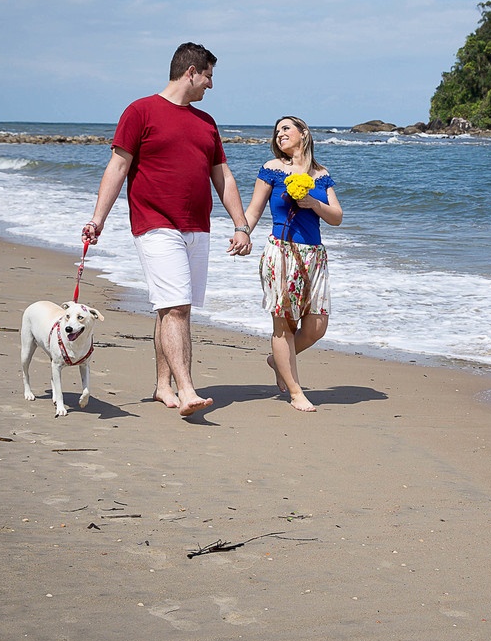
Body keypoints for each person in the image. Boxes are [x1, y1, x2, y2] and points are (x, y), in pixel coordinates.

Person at [81, 42, 252, 417]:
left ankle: (162, 385)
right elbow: (117, 167)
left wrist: (241, 226)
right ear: (190, 72)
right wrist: (98, 219)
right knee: (177, 308)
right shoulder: (140, 111)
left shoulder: (206, 123)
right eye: (208, 76)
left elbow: (222, 177)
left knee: (170, 309)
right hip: (155, 223)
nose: (211, 84)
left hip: (198, 227)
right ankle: (187, 389)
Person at [243, 116, 342, 412]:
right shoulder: (272, 169)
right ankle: (296, 391)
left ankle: (279, 360)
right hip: (281, 252)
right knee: (284, 323)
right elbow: (254, 210)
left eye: (286, 128)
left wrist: (314, 204)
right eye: (276, 132)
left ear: (304, 133)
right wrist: (241, 233)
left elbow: (337, 217)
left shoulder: (321, 174)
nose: (280, 134)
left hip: (314, 256)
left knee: (316, 325)